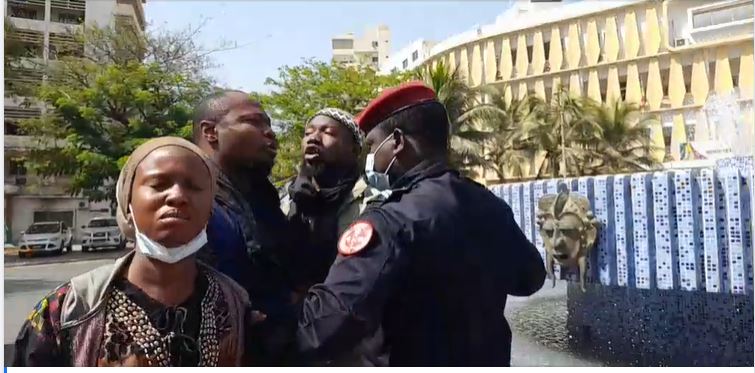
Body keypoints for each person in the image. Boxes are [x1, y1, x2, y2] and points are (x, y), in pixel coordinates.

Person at [295, 82, 546, 366]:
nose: (371, 160)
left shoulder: (388, 221)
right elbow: (530, 279)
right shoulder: (489, 205)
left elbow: (324, 327)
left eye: (373, 146)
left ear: (398, 142)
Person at [12, 137, 254, 367]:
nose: (178, 196)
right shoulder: (66, 311)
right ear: (128, 203)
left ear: (210, 211)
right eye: (159, 184)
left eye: (194, 187)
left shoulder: (236, 306)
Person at [192, 90, 299, 365]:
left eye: (270, 125)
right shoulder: (188, 200)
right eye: (254, 122)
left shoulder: (262, 195)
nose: (270, 133)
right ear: (211, 132)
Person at [281, 108, 378, 288]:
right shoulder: (286, 199)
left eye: (328, 132)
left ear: (354, 149)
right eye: (308, 133)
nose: (313, 138)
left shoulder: (373, 202)